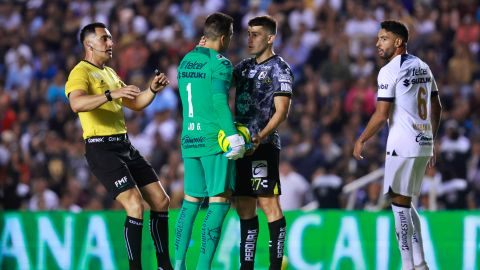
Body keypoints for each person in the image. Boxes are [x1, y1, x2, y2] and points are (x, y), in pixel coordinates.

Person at [65, 22, 172, 270]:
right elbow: (77, 104)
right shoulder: (80, 73)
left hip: (124, 144)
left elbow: (136, 103)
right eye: (105, 39)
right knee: (135, 204)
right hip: (100, 148)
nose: (111, 43)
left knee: (161, 200)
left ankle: (164, 265)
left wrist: (152, 90)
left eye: (110, 38)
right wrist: (110, 95)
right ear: (89, 44)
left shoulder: (110, 73)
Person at [353, 20, 442, 270]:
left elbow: (381, 115)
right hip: (423, 144)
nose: (377, 43)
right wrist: (431, 139)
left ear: (398, 42)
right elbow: (437, 106)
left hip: (402, 144)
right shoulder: (423, 66)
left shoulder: (390, 70)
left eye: (383, 38)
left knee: (399, 204)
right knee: (406, 201)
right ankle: (421, 263)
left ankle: (406, 265)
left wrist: (361, 139)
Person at [174, 13, 246, 270]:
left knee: (190, 203)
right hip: (213, 140)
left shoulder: (186, 61)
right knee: (219, 202)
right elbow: (218, 102)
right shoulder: (221, 63)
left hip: (189, 139)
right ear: (225, 37)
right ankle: (203, 267)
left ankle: (179, 265)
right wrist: (232, 136)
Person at [233, 16, 293, 270]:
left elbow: (282, 112)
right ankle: (246, 266)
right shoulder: (243, 67)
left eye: (256, 34)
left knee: (269, 204)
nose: (249, 38)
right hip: (240, 147)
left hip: (264, 146)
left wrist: (261, 135)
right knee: (245, 207)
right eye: (248, 33)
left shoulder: (281, 68)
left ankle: (274, 266)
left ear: (270, 38)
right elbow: (217, 82)